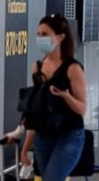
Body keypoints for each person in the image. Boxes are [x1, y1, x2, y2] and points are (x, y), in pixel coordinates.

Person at [20, 15, 87, 181]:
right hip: (43, 136)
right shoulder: (37, 68)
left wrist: (66, 96)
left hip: (69, 135)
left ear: (60, 37)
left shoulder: (72, 68)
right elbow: (35, 113)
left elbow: (82, 108)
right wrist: (26, 148)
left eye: (45, 34)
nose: (40, 38)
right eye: (39, 34)